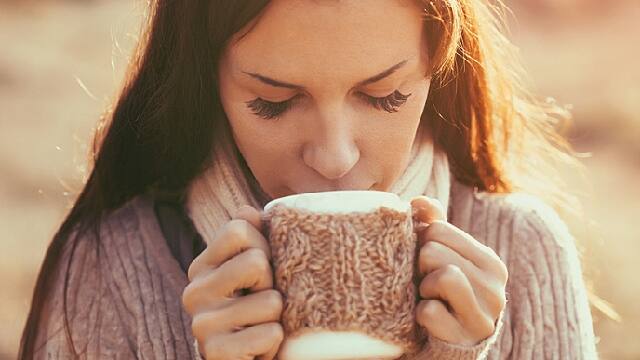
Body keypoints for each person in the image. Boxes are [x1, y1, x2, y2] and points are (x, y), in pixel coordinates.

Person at [18, 0, 599, 359]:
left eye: (384, 96)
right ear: (206, 81)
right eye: (273, 102)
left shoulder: (524, 255)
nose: (334, 157)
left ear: (438, 68)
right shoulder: (109, 268)